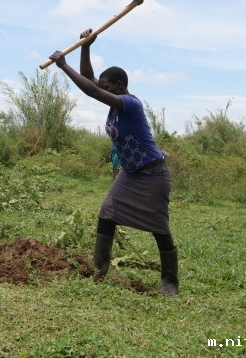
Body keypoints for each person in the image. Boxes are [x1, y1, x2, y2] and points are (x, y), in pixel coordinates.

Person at [49, 29, 179, 295]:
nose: (102, 89)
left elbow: (90, 90)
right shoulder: (115, 101)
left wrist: (64, 66)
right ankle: (100, 271)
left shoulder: (130, 103)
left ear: (119, 85)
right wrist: (86, 46)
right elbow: (90, 80)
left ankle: (169, 283)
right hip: (130, 174)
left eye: (106, 87)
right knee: (107, 214)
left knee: (159, 227)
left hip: (152, 174)